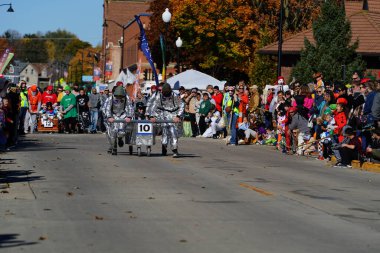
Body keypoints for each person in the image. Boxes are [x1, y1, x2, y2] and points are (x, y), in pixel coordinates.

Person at [147, 83, 185, 157]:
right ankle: (164, 146)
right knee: (164, 132)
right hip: (164, 115)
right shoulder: (159, 96)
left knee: (173, 133)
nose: (166, 96)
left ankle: (174, 150)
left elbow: (182, 105)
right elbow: (154, 106)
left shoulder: (175, 96)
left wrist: (178, 116)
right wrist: (152, 116)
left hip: (174, 115)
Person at [104, 86, 133, 155]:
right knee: (113, 132)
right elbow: (107, 108)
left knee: (122, 132)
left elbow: (130, 107)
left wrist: (129, 116)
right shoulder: (111, 98)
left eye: (121, 96)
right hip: (113, 116)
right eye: (118, 96)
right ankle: (114, 147)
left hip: (123, 115)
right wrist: (109, 117)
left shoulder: (126, 98)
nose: (119, 97)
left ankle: (120, 138)